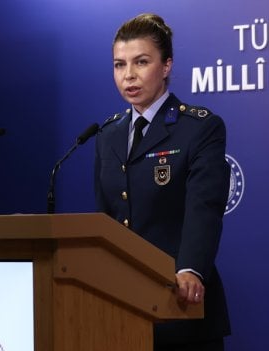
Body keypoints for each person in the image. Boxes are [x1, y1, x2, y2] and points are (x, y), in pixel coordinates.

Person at [94, 13, 231, 350]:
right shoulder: (107, 135)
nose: (128, 75)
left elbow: (204, 207)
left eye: (141, 62)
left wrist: (191, 270)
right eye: (119, 64)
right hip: (121, 310)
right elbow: (108, 218)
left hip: (179, 308)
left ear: (167, 65)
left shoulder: (199, 128)